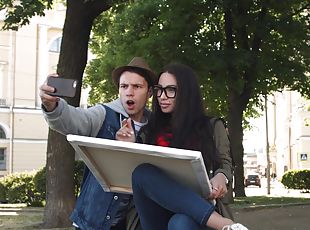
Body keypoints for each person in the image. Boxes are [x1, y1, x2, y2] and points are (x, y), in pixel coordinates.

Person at [116, 63, 248, 230]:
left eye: (171, 90)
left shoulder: (212, 126)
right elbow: (137, 180)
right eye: (159, 89)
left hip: (196, 213)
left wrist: (221, 177)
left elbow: (225, 163)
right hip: (155, 217)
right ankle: (224, 225)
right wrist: (130, 147)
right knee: (142, 172)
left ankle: (217, 221)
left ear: (187, 93)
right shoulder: (148, 131)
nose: (162, 96)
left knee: (180, 222)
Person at [39, 57, 155, 230]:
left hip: (131, 223)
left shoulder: (156, 127)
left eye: (137, 87)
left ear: (150, 92)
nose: (129, 92)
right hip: (92, 221)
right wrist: (52, 106)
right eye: (124, 86)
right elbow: (73, 119)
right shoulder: (103, 114)